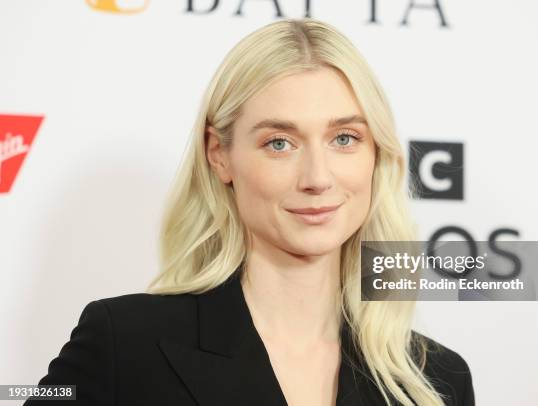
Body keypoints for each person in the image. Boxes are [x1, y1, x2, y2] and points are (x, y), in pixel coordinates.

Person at [25, 18, 475, 406]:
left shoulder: (436, 380)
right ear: (219, 154)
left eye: (344, 139)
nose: (317, 177)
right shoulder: (123, 342)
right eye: (279, 143)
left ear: (376, 153)